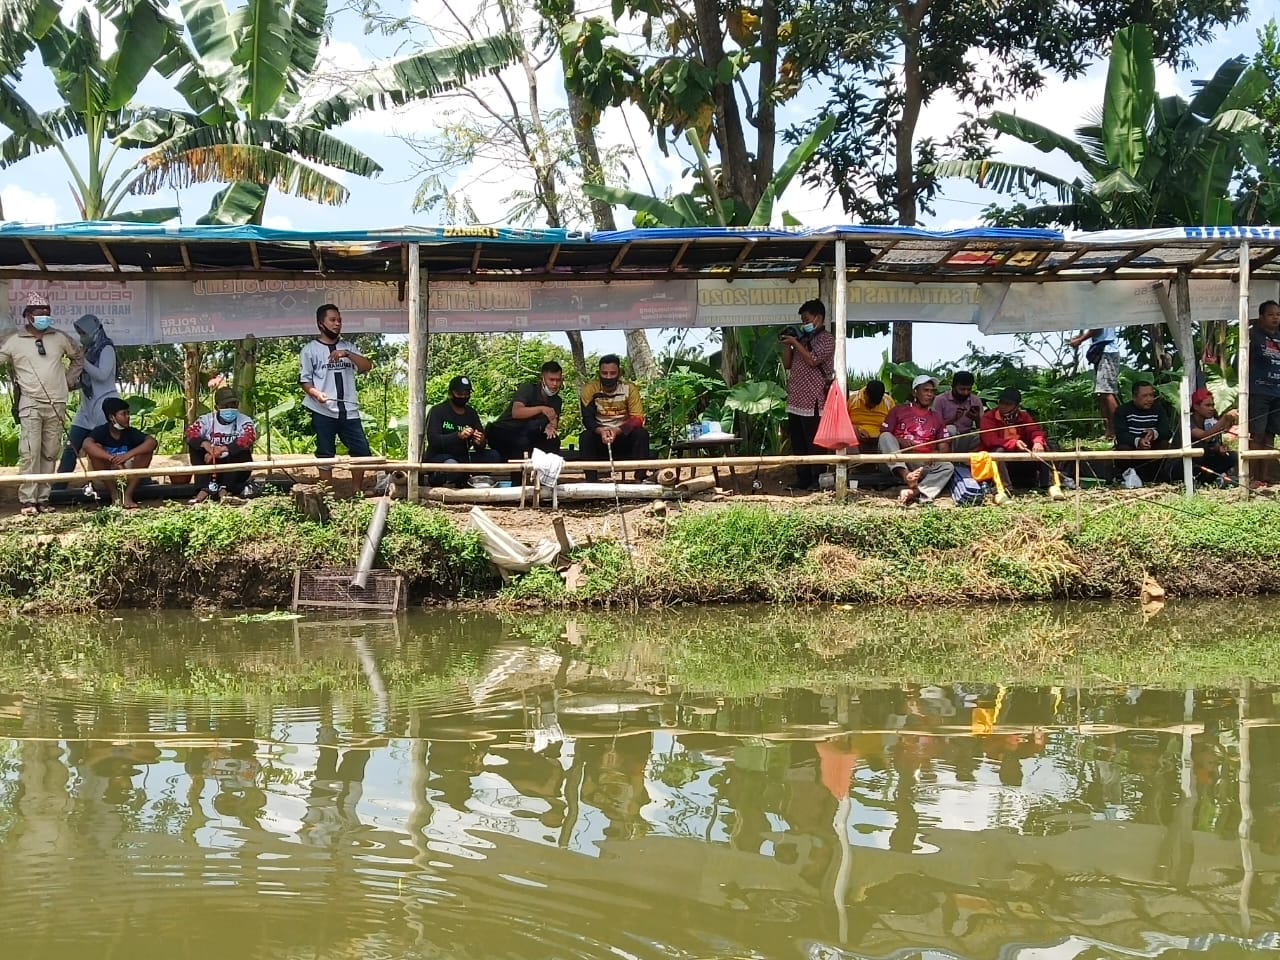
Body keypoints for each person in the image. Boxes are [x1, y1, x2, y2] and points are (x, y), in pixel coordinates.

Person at [0, 292, 84, 515]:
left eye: (47, 313)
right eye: (40, 313)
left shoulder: (60, 337)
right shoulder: (14, 341)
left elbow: (78, 357)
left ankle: (43, 498)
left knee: (50, 451)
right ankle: (28, 500)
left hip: (57, 402)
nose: (44, 316)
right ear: (28, 316)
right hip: (30, 403)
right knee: (30, 451)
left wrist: (68, 381)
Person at [300, 303, 373, 495]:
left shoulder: (348, 347)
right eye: (332, 320)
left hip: (350, 411)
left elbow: (367, 366)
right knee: (325, 452)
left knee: (361, 450)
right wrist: (316, 394)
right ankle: (327, 494)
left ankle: (356, 491)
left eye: (339, 320)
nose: (337, 324)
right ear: (320, 324)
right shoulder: (309, 350)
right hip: (323, 410)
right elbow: (305, 380)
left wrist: (347, 354)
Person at [781, 299, 835, 490]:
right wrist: (788, 344)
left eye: (806, 319)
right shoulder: (803, 340)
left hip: (814, 400)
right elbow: (787, 364)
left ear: (818, 318)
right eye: (802, 321)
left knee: (814, 442)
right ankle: (802, 478)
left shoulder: (827, 339)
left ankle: (817, 478)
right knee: (798, 442)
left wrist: (795, 342)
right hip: (796, 398)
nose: (804, 324)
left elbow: (813, 360)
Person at [57, 313, 117, 485]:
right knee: (71, 447)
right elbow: (84, 380)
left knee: (112, 446)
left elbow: (102, 375)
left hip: (105, 406)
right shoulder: (87, 351)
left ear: (94, 331)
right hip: (87, 407)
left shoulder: (106, 348)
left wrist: (82, 361)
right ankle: (58, 486)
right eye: (80, 333)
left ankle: (138, 481)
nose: (82, 337)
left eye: (83, 333)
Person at [878, 374, 954, 505]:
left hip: (921, 464)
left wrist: (935, 455)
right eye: (926, 390)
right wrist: (899, 440)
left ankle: (914, 492)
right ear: (915, 392)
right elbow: (884, 435)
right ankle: (906, 476)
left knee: (948, 467)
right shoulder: (898, 410)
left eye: (932, 391)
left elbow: (944, 448)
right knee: (885, 436)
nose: (929, 394)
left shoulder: (936, 417)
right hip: (896, 461)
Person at [580, 354, 651, 482]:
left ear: (619, 373)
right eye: (604, 373)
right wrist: (601, 431)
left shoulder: (630, 389)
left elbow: (638, 419)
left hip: (623, 435)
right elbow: (587, 419)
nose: (608, 377)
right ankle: (591, 481)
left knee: (642, 434)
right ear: (599, 373)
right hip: (600, 437)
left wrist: (617, 431)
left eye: (612, 373)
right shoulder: (589, 390)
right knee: (585, 437)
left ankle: (640, 478)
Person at [425, 375, 503, 486]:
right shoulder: (438, 411)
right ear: (451, 393)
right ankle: (439, 478)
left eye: (466, 393)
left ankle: (467, 479)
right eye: (460, 393)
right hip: (441, 457)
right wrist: (458, 436)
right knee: (452, 466)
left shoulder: (471, 413)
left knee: (493, 456)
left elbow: (480, 445)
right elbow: (433, 440)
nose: (463, 396)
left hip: (464, 457)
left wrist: (479, 440)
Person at [185, 386, 257, 504]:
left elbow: (249, 437)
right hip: (210, 461)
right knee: (195, 447)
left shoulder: (245, 421)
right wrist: (206, 446)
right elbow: (190, 434)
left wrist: (223, 449)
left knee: (242, 450)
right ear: (216, 407)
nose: (230, 409)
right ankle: (204, 489)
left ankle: (226, 490)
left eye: (233, 405)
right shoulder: (206, 420)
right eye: (225, 406)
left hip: (232, 463)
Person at [81, 397, 156, 509]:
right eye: (124, 414)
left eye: (128, 413)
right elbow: (87, 444)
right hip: (105, 476)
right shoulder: (101, 431)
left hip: (127, 475)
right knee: (96, 449)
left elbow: (152, 442)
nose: (128, 417)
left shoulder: (131, 432)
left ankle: (128, 495)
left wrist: (126, 456)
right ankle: (114, 495)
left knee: (145, 452)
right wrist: (111, 458)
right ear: (112, 417)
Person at [487, 360, 564, 461]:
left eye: (558, 380)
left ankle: (548, 470)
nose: (555, 384)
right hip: (504, 431)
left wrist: (550, 426)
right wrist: (541, 409)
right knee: (522, 441)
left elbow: (554, 421)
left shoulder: (557, 401)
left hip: (529, 434)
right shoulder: (528, 389)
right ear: (542, 379)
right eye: (551, 380)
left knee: (553, 441)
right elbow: (516, 412)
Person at [978, 387, 1049, 490]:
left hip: (1022, 455)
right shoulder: (989, 417)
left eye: (1008, 404)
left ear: (1017, 406)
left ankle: (1047, 484)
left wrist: (1038, 442)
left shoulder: (1024, 416)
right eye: (1002, 402)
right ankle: (1005, 487)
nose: (1003, 406)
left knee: (1044, 446)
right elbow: (989, 440)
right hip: (1001, 457)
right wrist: (1013, 443)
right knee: (998, 451)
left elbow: (1034, 431)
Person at [1114, 381, 1175, 484]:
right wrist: (1138, 441)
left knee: (1165, 445)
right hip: (1132, 449)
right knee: (1122, 449)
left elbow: (1166, 432)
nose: (1149, 399)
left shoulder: (1159, 409)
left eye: (1151, 395)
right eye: (1145, 396)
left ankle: (1160, 476)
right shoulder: (1122, 410)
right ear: (1134, 397)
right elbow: (1121, 435)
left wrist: (1154, 434)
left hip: (1153, 448)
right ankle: (1126, 476)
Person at [1248, 300, 1280, 485]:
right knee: (1257, 434)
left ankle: (1265, 476)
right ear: (1261, 317)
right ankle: (1252, 477)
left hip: (1277, 392)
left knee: (1270, 434)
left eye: (1278, 314)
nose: (1275, 318)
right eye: (1270, 314)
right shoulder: (1253, 336)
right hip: (1259, 391)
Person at [1069, 327, 1121, 440]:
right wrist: (1080, 337)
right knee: (1102, 393)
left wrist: (1080, 340)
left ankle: (1118, 432)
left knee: (1107, 392)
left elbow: (1098, 328)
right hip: (1103, 352)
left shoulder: (1099, 316)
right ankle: (1109, 432)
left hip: (1107, 351)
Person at [1189, 387, 1238, 482]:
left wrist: (1218, 448)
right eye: (1207, 405)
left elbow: (1213, 442)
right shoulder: (1188, 421)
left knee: (1232, 457)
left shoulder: (1209, 421)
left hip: (1203, 461)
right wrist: (1224, 418)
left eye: (1212, 405)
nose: (1211, 409)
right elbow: (1205, 437)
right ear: (1196, 407)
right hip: (1183, 464)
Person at [933, 371, 984, 451]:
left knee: (983, 434)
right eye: (962, 389)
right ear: (953, 387)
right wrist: (954, 419)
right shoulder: (940, 400)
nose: (965, 393)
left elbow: (983, 427)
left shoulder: (975, 400)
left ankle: (970, 458)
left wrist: (977, 418)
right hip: (946, 440)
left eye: (969, 389)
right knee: (950, 429)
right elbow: (934, 427)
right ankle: (949, 457)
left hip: (966, 438)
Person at [846, 379, 892, 454]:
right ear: (865, 394)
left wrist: (880, 434)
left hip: (879, 441)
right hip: (857, 440)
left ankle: (893, 461)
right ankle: (854, 460)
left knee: (887, 436)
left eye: (875, 404)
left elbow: (893, 424)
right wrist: (857, 430)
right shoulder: (852, 399)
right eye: (869, 403)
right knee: (850, 430)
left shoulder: (888, 401)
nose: (872, 406)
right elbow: (843, 422)